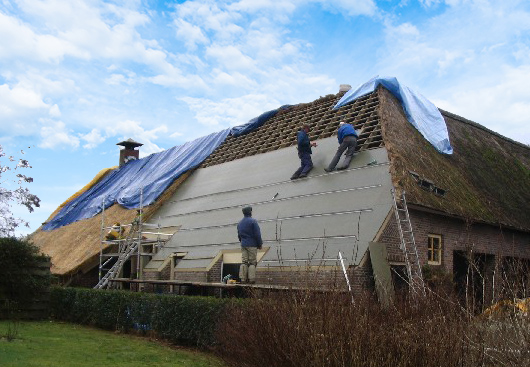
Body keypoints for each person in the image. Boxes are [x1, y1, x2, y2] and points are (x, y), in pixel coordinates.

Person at [237, 206, 263, 284]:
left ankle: (242, 279)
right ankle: (251, 279)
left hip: (243, 244)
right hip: (252, 244)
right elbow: (257, 234)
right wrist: (259, 244)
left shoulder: (240, 223)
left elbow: (239, 235)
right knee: (252, 262)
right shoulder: (253, 221)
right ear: (250, 212)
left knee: (244, 262)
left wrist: (242, 242)